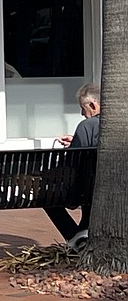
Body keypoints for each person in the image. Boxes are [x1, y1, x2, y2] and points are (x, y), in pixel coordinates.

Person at [46, 82, 100, 246]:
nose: (82, 113)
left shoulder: (87, 125)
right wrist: (75, 141)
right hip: (109, 186)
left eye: (83, 108)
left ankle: (75, 238)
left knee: (48, 197)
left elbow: (73, 163)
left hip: (84, 189)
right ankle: (81, 236)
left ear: (93, 105)